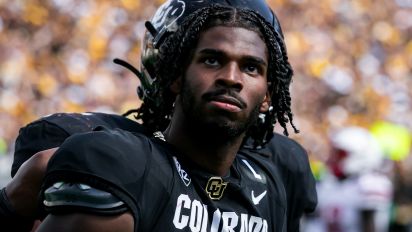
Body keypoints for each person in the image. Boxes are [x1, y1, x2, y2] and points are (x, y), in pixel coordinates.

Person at [1, 0, 317, 231]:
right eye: (211, 60)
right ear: (173, 75)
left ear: (268, 95)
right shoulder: (123, 165)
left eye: (251, 67)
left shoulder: (281, 169)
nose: (231, 77)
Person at [304, 126, 392, 232]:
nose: (332, 158)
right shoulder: (326, 184)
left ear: (361, 155)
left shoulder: (368, 184)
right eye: (333, 153)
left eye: (340, 154)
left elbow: (370, 225)